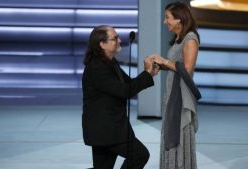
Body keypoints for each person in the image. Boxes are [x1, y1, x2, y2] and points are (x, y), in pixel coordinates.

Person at [82, 25, 159, 169]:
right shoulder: (97, 67)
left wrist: (147, 73)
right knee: (140, 155)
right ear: (102, 44)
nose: (119, 40)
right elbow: (124, 91)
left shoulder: (110, 62)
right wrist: (146, 75)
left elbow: (128, 84)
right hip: (106, 131)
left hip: (108, 129)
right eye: (114, 38)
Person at [152, 2, 200, 169]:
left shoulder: (191, 39)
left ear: (179, 19)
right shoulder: (178, 39)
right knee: (170, 132)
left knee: (178, 133)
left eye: (167, 18)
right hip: (172, 93)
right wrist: (160, 65)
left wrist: (164, 61)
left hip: (181, 95)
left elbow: (186, 69)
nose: (165, 22)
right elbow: (175, 65)